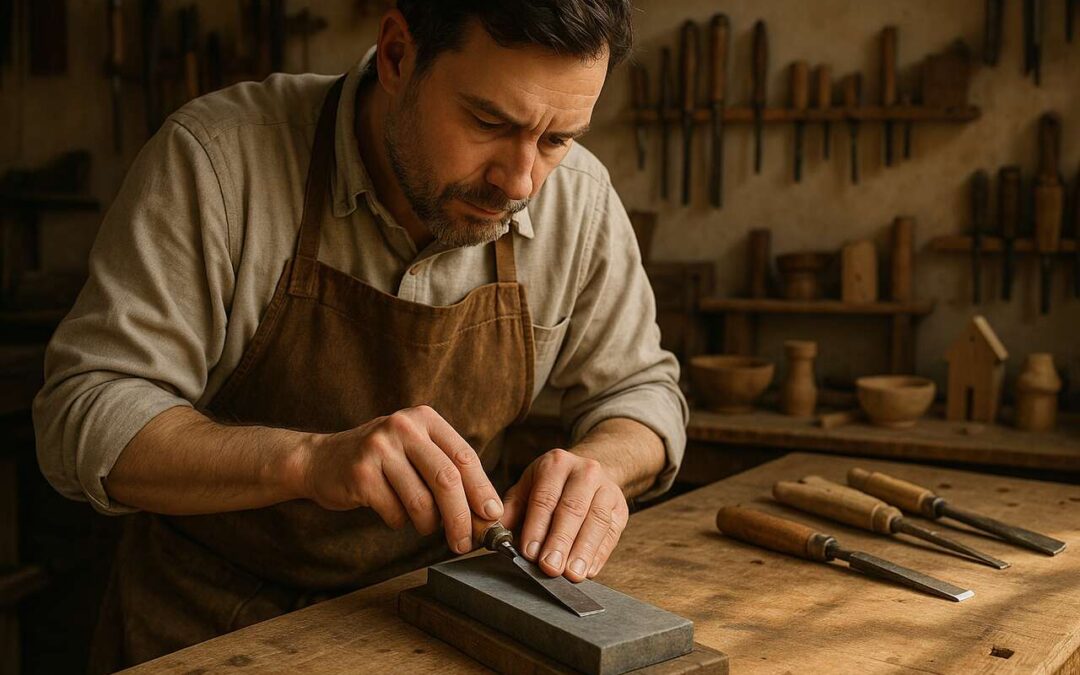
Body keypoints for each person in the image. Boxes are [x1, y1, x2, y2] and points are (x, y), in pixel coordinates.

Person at [33, 0, 688, 669]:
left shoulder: (577, 199)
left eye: (557, 140)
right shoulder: (217, 159)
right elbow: (85, 412)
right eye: (489, 121)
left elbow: (643, 394)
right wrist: (308, 461)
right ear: (399, 54)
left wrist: (601, 465)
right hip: (208, 624)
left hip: (437, 620)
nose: (519, 181)